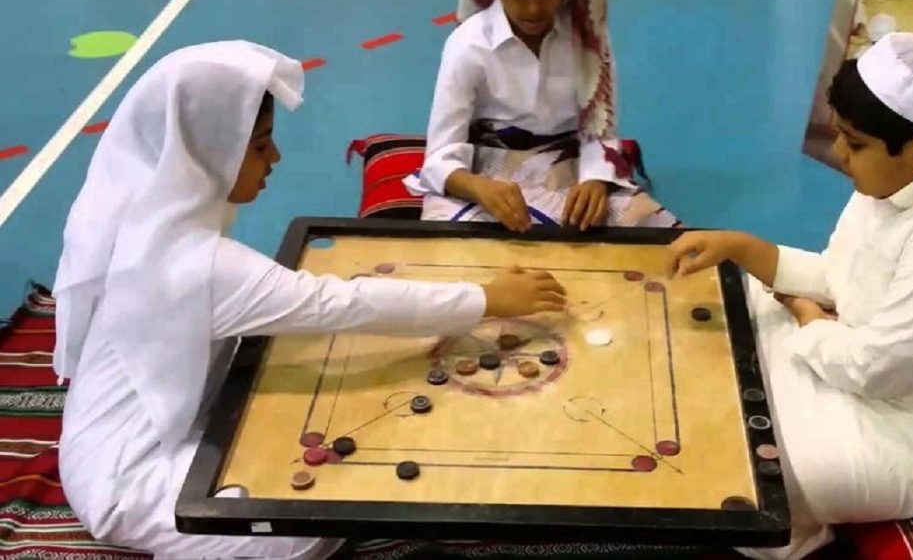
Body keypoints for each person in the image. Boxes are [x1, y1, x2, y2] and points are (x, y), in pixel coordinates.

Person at [51, 41, 567, 559]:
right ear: (206, 151)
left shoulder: (150, 221)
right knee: (310, 518)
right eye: (259, 145)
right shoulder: (198, 265)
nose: (275, 158)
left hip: (149, 435)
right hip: (128, 482)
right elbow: (345, 303)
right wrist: (487, 298)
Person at [666, 32, 913, 559]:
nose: (840, 153)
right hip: (894, 365)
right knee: (730, 312)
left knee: (752, 471)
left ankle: (799, 543)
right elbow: (846, 277)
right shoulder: (909, 177)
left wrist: (806, 316)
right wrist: (744, 249)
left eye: (855, 143)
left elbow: (873, 371)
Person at [403, 0, 678, 233]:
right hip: (487, 171)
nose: (533, 8)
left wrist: (596, 179)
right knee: (454, 247)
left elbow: (599, 128)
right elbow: (441, 155)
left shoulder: (587, 39)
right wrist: (479, 188)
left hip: (569, 167)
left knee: (653, 234)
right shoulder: (467, 45)